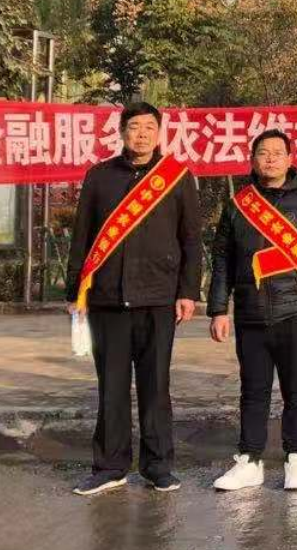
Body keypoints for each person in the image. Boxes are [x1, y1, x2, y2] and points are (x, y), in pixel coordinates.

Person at [66, 101, 202, 496]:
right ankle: (110, 466)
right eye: (134, 127)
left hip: (158, 297)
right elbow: (82, 235)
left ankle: (158, 466)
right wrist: (76, 291)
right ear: (121, 132)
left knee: (155, 386)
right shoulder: (100, 176)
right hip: (107, 298)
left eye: (148, 127)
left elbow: (191, 239)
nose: (141, 134)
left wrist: (188, 291)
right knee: (111, 386)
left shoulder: (177, 177)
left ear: (159, 133)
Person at [205, 129, 297, 492]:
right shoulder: (238, 205)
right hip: (250, 312)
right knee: (253, 389)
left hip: (295, 310)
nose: (271, 158)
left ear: (290, 159)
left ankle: (296, 457)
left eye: (278, 152)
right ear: (253, 159)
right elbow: (222, 260)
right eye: (264, 152)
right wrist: (218, 309)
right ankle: (250, 460)